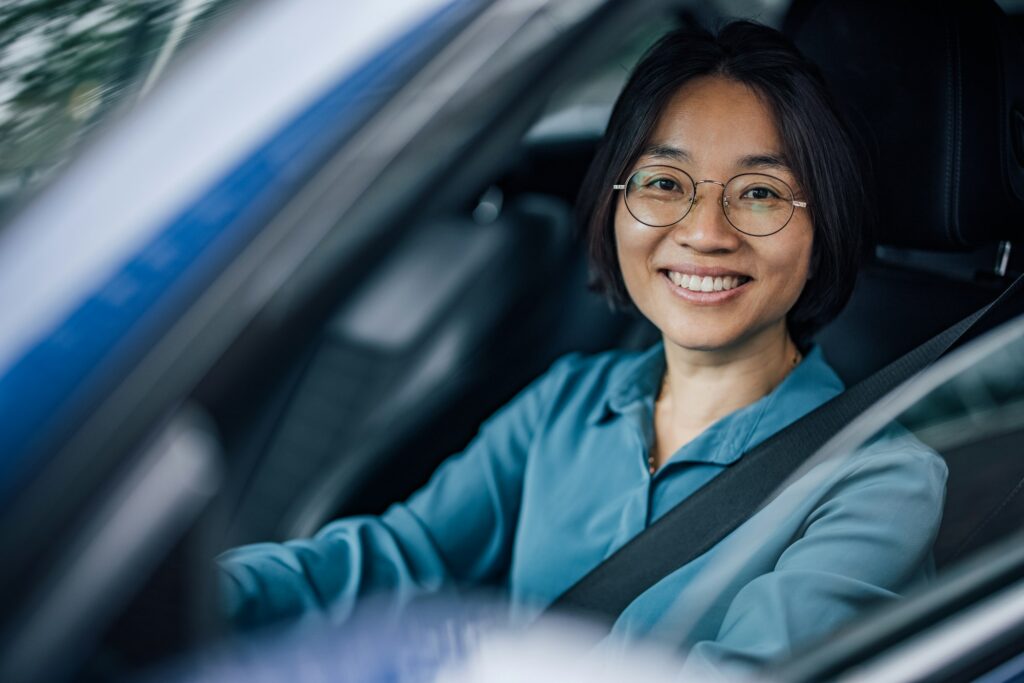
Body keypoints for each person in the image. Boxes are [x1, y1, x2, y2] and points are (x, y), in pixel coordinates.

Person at [218, 21, 946, 677]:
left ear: (822, 229)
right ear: (614, 204)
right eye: (664, 183)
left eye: (760, 193)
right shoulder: (563, 403)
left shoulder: (878, 484)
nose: (705, 232)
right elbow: (396, 561)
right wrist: (205, 594)